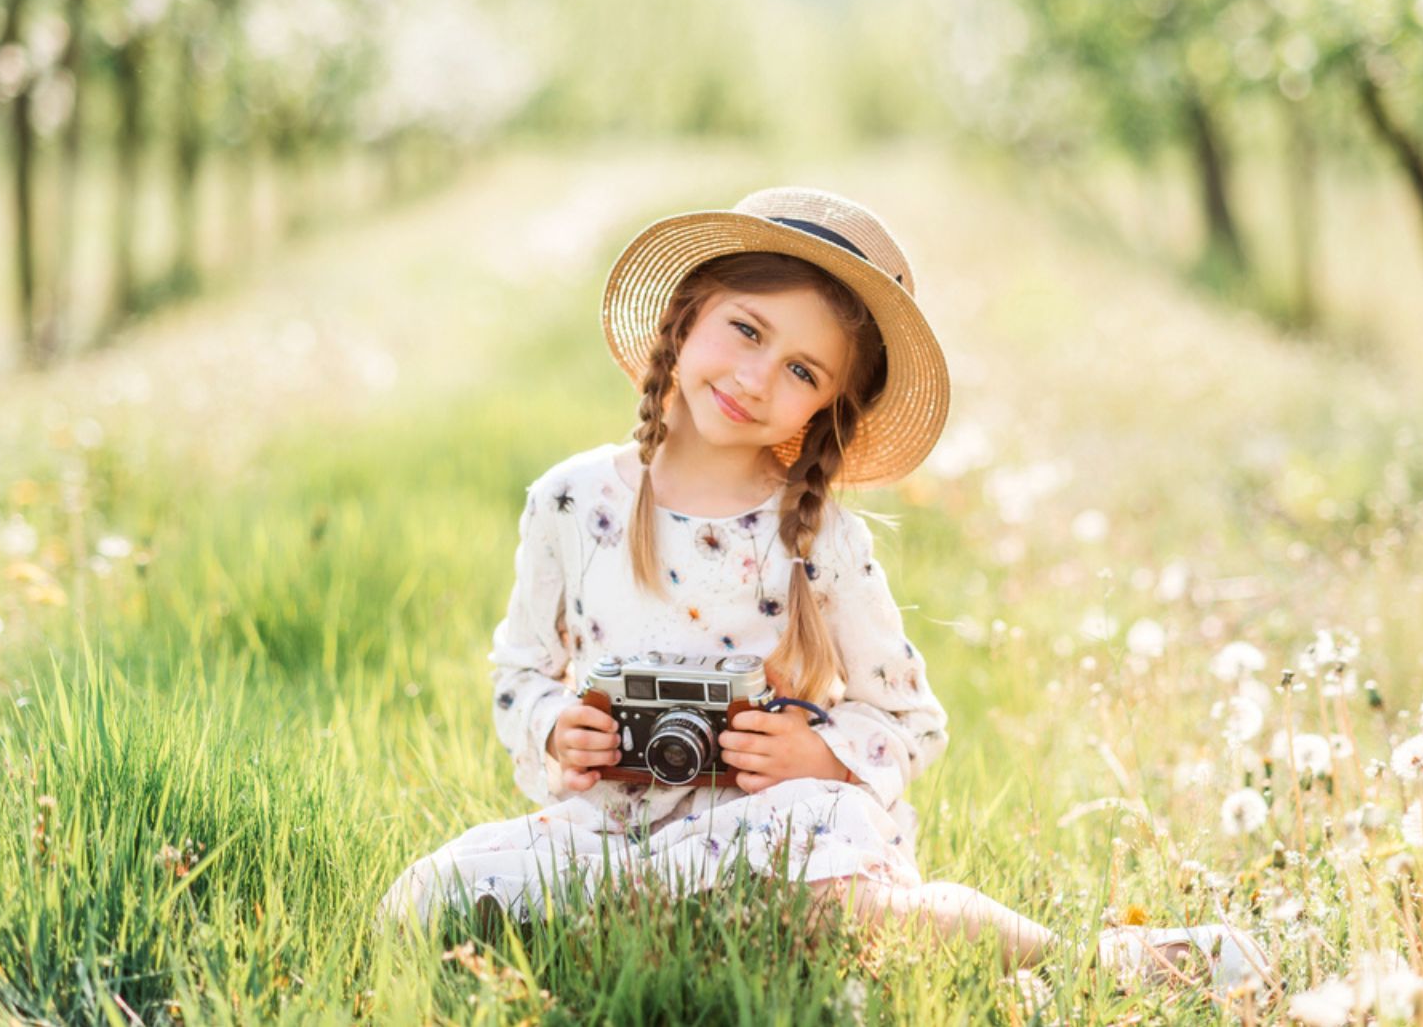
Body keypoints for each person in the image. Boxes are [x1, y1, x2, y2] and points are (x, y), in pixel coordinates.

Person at [375, 187, 1273, 996]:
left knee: (818, 902)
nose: (758, 377)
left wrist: (820, 757)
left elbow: (912, 721)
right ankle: (684, 934)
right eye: (747, 330)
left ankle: (1096, 960)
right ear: (686, 319)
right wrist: (553, 730)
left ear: (826, 409)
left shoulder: (820, 540)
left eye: (804, 371)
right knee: (423, 903)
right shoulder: (572, 500)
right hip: (613, 833)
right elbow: (520, 671)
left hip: (777, 835)